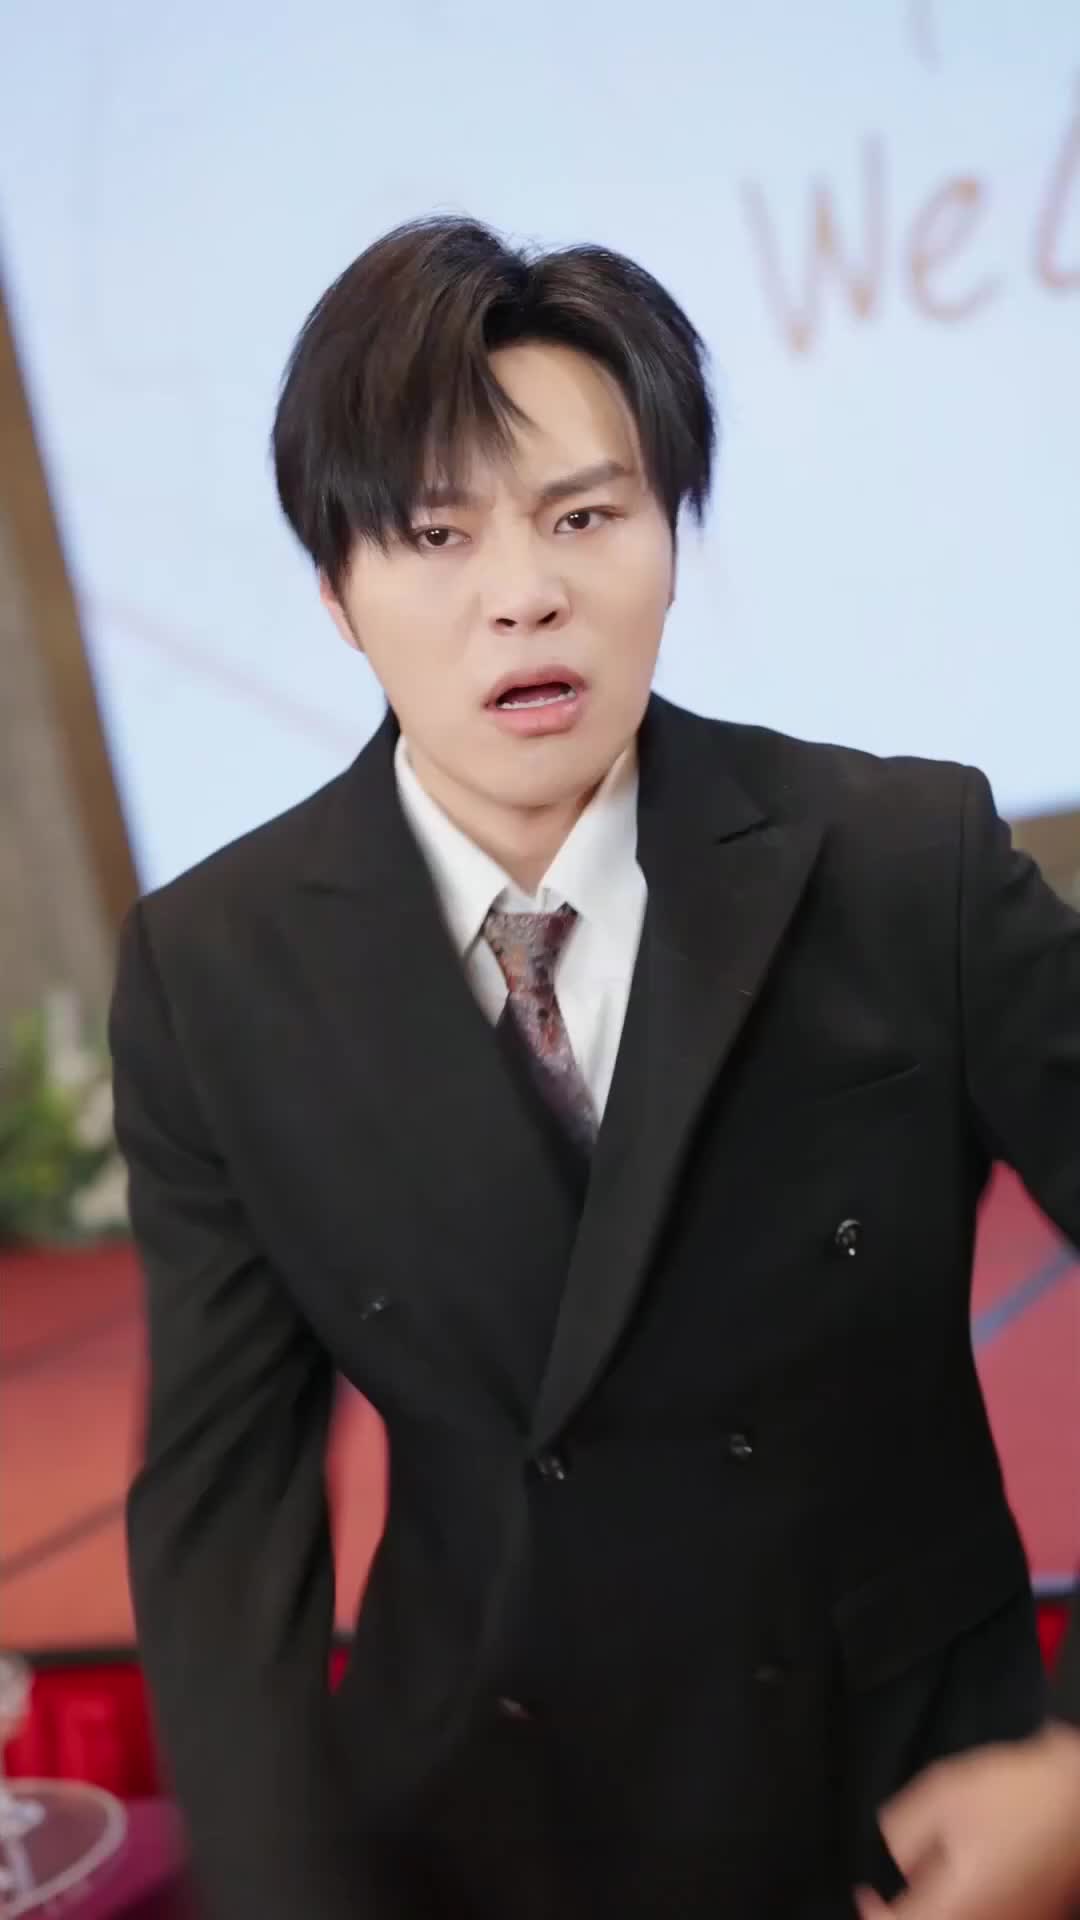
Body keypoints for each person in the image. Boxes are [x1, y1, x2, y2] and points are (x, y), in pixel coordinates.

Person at [109, 216, 1080, 1920]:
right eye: (436, 533)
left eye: (583, 515)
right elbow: (223, 1529)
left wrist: (1078, 1775)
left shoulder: (902, 863)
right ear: (334, 591)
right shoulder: (218, 970)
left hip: (921, 1819)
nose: (525, 593)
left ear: (669, 542)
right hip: (489, 1836)